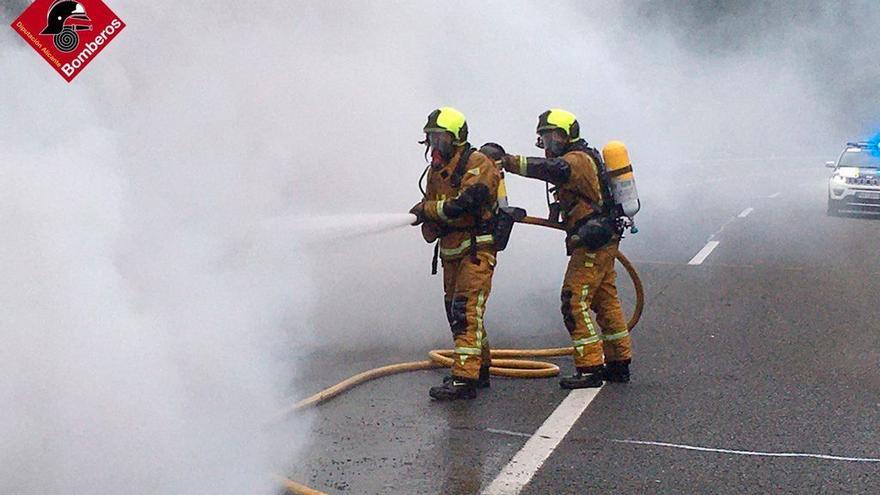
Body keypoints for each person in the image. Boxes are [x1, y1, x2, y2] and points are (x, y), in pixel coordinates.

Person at [501, 109, 632, 388]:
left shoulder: (575, 160)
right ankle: (619, 362)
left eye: (554, 137)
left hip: (592, 240)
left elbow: (549, 170)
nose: (549, 144)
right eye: (545, 138)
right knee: (604, 300)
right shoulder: (581, 156)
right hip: (601, 237)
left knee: (573, 301)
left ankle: (590, 367)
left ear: (568, 135)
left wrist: (507, 162)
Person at [410, 107, 502, 400]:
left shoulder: (478, 164)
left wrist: (427, 210)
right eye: (432, 139)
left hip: (476, 250)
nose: (436, 146)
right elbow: (436, 208)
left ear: (457, 139)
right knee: (458, 312)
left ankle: (465, 379)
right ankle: (479, 368)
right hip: (451, 252)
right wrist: (428, 221)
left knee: (465, 311)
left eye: (441, 139)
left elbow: (463, 204)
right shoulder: (436, 172)